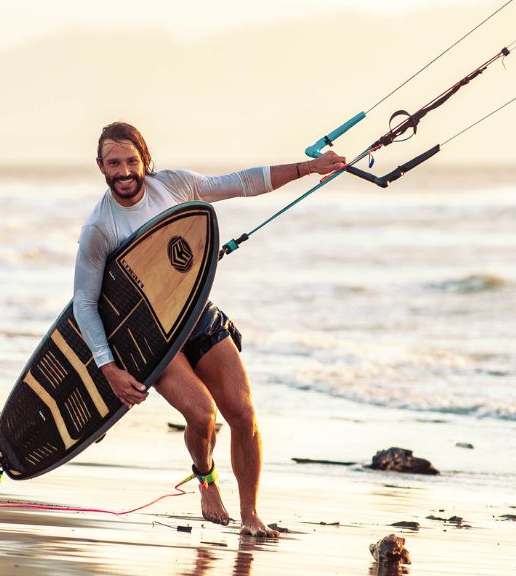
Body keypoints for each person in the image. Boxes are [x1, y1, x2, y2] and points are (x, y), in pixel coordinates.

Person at [73, 121, 345, 537]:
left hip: (196, 314)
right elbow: (85, 303)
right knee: (202, 415)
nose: (124, 171)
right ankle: (205, 479)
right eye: (114, 163)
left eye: (131, 161)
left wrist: (307, 169)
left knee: (244, 413)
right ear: (101, 166)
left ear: (144, 159)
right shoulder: (99, 228)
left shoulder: (174, 186)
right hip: (152, 335)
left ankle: (251, 515)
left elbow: (240, 182)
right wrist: (108, 367)